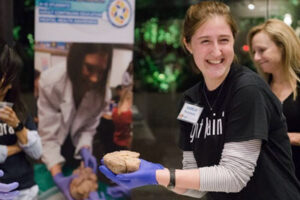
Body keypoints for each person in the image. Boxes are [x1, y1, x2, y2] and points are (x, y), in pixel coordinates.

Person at [99, 1, 300, 199]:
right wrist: (157, 177)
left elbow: (235, 175)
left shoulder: (248, 90)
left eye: (224, 40)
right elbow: (198, 187)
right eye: (205, 41)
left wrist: (158, 174)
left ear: (233, 40)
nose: (216, 51)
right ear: (188, 44)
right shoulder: (191, 101)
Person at [38, 43, 112, 200]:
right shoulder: (51, 82)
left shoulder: (102, 93)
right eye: (89, 68)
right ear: (75, 61)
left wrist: (85, 148)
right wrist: (58, 176)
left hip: (75, 150)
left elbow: (87, 128)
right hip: (54, 145)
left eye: (101, 71)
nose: (95, 78)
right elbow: (48, 137)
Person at [248, 19, 300, 180]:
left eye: (262, 50)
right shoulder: (259, 90)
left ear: (283, 47)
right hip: (270, 181)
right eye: (254, 51)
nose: (256, 57)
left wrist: (289, 137)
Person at [0, 42, 42, 200]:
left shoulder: (17, 107)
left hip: (25, 189)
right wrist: (17, 147)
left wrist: (17, 126)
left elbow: (37, 152)